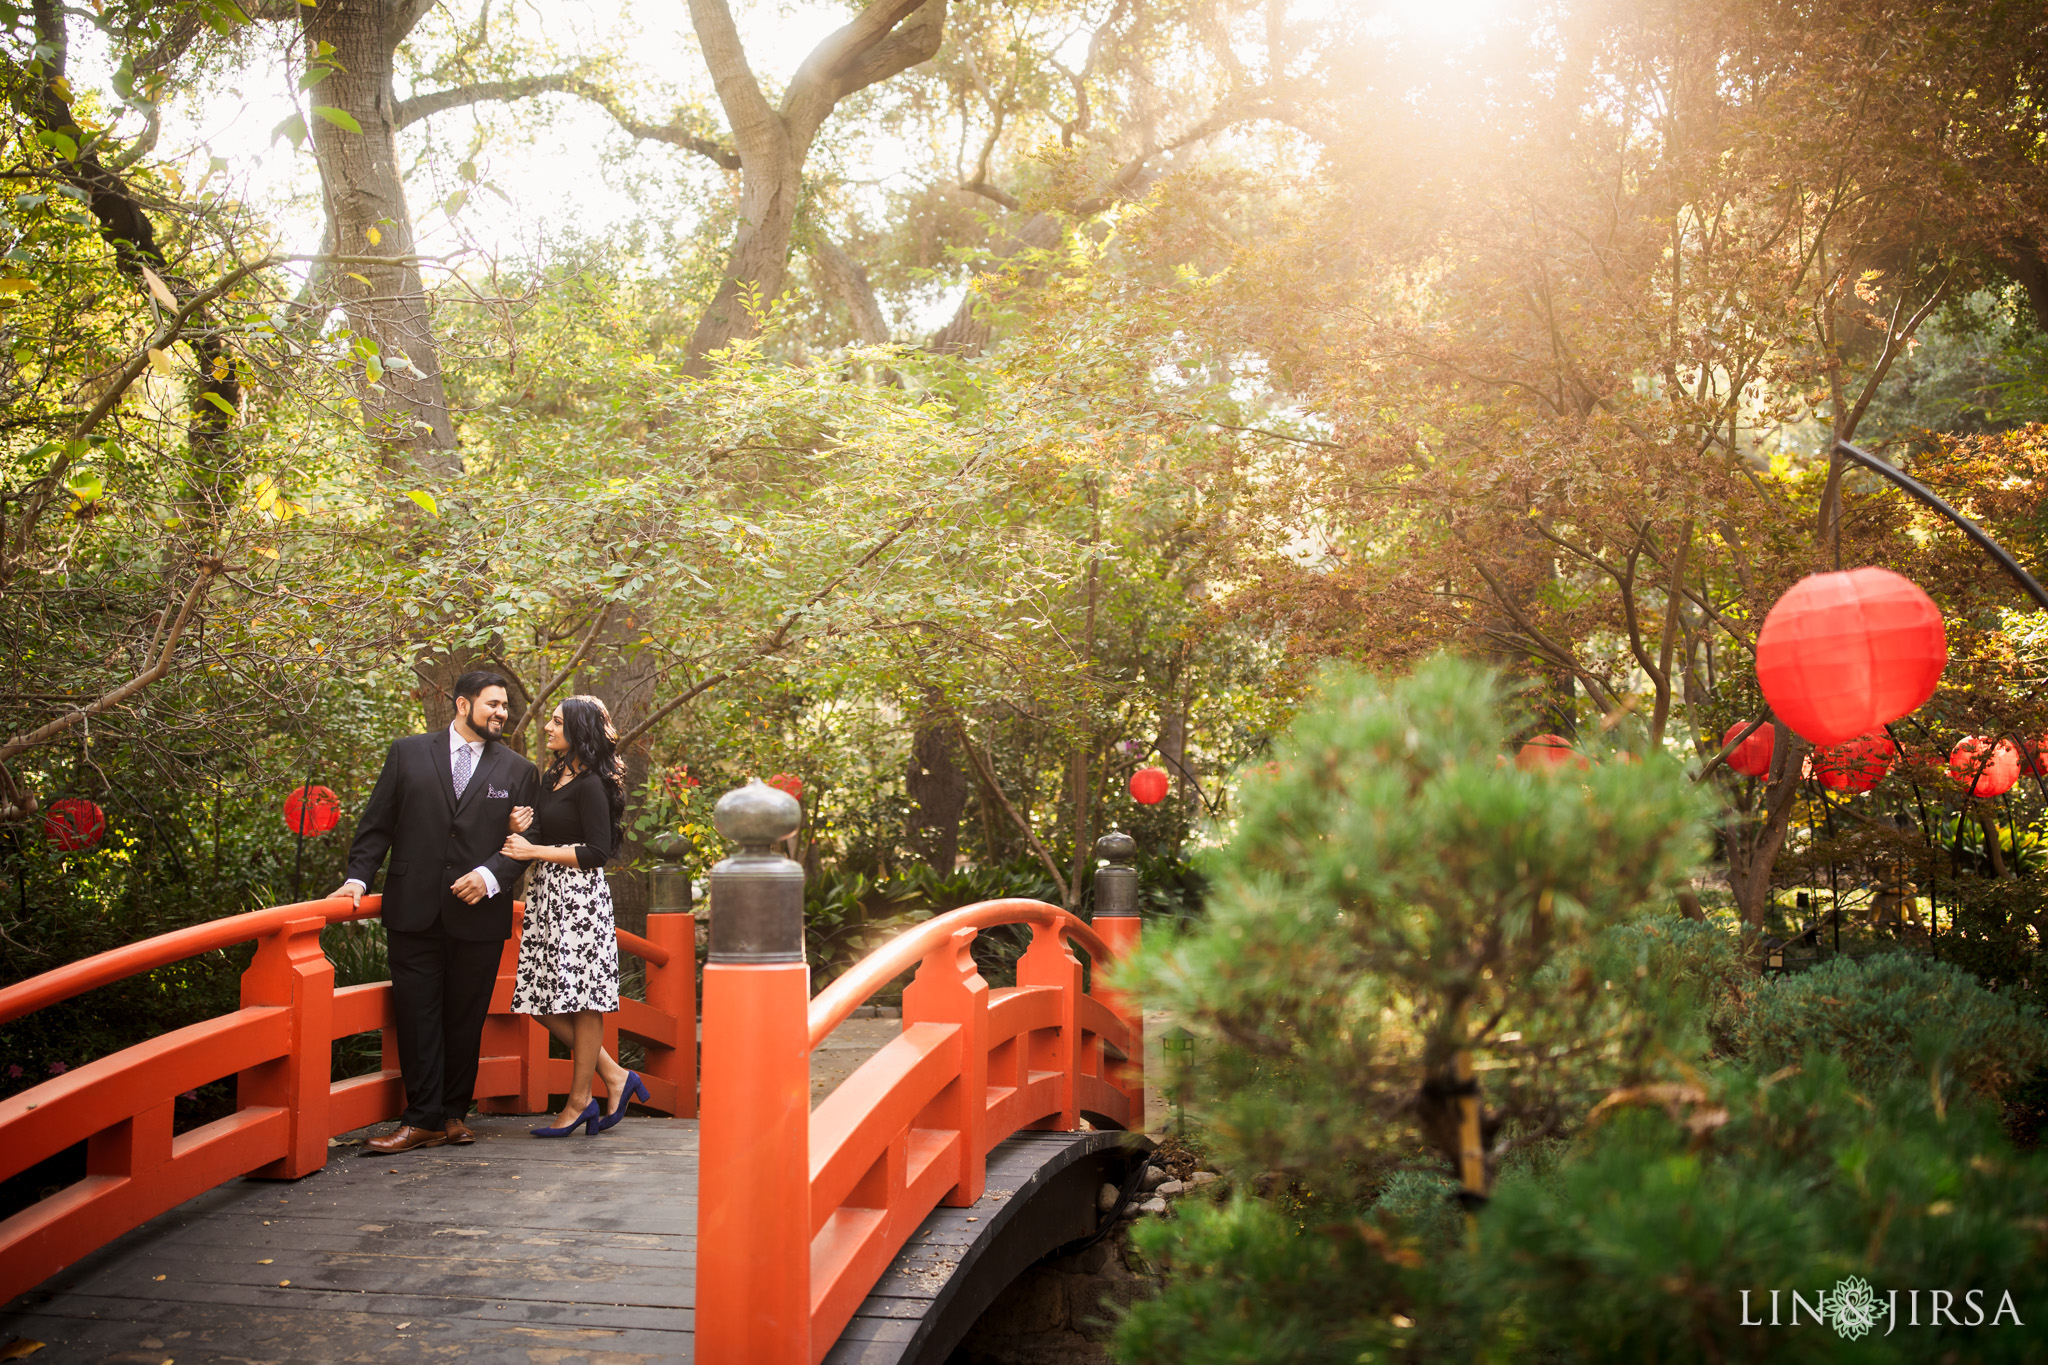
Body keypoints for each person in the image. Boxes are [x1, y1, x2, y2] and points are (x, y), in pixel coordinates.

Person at [333, 671, 541, 1153]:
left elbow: (525, 844)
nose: (501, 713)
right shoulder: (407, 753)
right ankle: (421, 1118)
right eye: (493, 704)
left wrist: (490, 876)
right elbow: (377, 824)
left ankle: (453, 1114)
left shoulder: (518, 770)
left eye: (505, 706)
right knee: (417, 1015)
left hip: (479, 914)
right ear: (463, 704)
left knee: (465, 1019)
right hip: (414, 907)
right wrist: (356, 880)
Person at [504, 695, 648, 1136]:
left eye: (556, 721)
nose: (547, 727)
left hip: (580, 898)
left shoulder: (593, 785)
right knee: (536, 998)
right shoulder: (553, 776)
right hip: (546, 894)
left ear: (579, 730)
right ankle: (616, 1076)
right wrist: (519, 828)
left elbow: (598, 852)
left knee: (584, 999)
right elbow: (544, 834)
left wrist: (535, 850)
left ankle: (580, 1100)